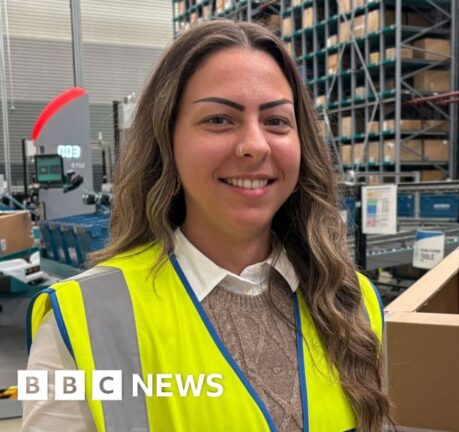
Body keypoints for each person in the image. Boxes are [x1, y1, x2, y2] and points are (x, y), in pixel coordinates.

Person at [23, 20, 392, 432]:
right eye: (219, 119)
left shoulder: (353, 301)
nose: (255, 145)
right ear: (167, 141)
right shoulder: (84, 320)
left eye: (276, 121)